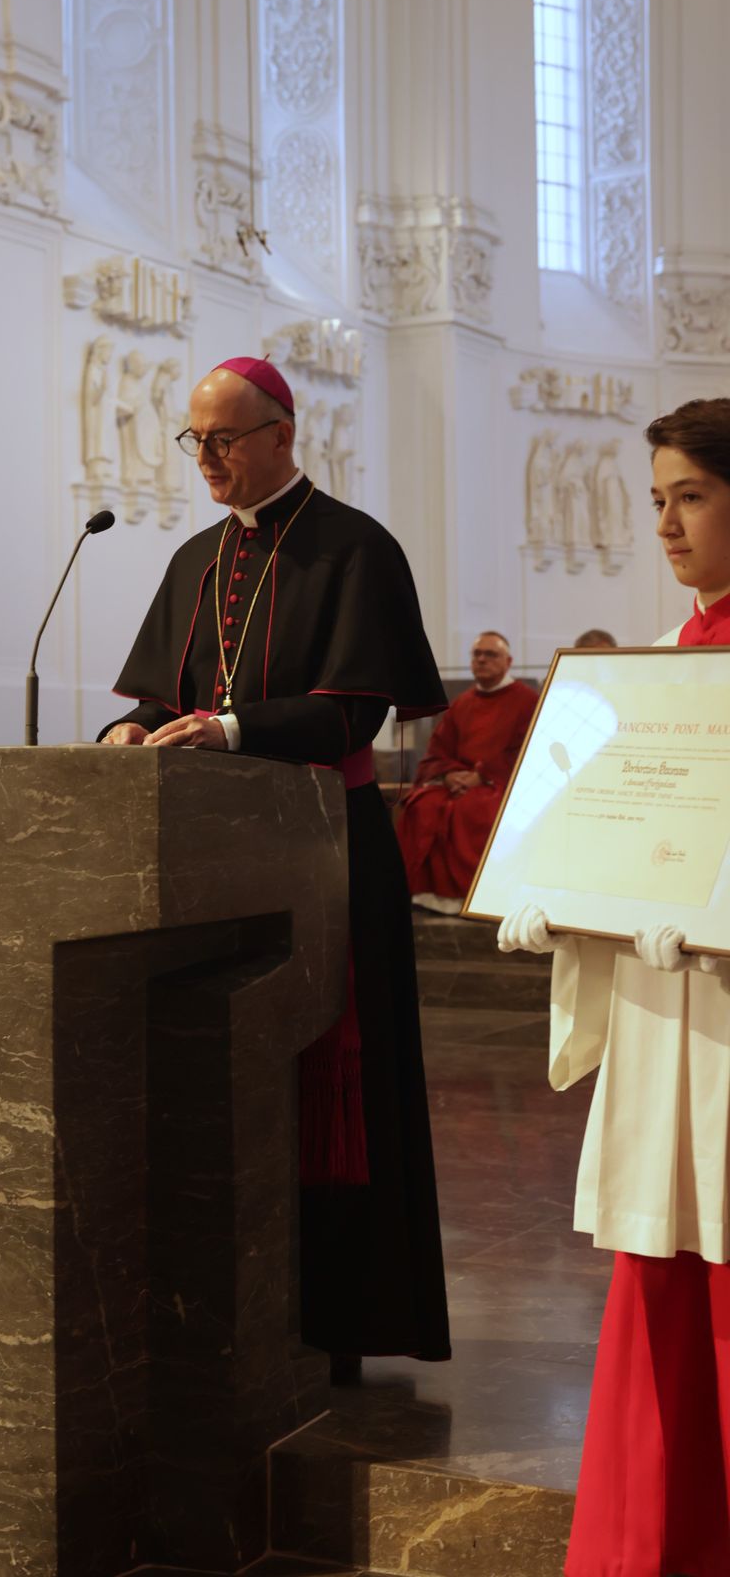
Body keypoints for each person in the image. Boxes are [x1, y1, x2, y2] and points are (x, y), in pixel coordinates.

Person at [101, 356, 451, 1368]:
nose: (206, 459)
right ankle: (229, 1310)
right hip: (215, 868)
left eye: (224, 439)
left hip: (331, 852)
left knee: (336, 1079)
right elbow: (164, 702)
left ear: (281, 435)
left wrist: (232, 729)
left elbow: (358, 708)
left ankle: (344, 1320)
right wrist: (133, 732)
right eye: (195, 441)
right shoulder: (195, 561)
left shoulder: (356, 551)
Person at [500, 396, 730, 1577]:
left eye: (690, 495)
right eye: (656, 501)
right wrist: (569, 907)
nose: (666, 525)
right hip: (666, 1015)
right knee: (663, 1277)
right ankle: (657, 1546)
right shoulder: (674, 660)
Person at [395, 632, 538, 915]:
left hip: (501, 784)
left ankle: (477, 898)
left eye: (490, 654)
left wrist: (482, 775)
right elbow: (439, 748)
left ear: (508, 662)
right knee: (422, 806)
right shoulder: (463, 703)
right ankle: (426, 896)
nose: (482, 659)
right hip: (458, 781)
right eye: (477, 654)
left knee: (472, 811)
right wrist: (449, 775)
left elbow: (527, 751)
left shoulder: (527, 701)